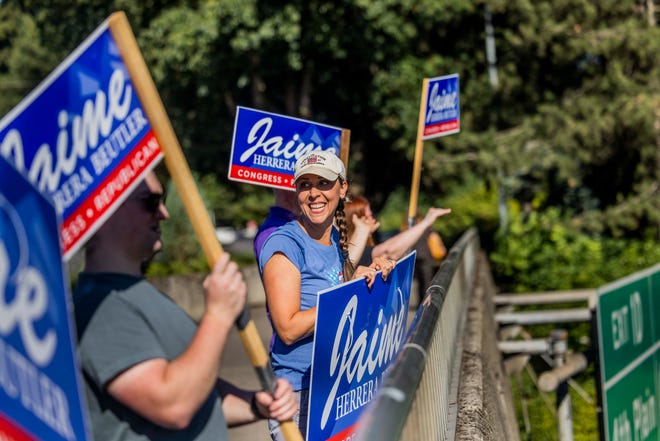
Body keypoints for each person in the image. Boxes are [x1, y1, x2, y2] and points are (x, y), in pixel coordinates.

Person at [73, 171, 298, 441]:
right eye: (150, 201)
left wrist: (255, 404)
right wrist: (218, 316)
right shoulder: (101, 305)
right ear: (105, 210)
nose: (164, 213)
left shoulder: (138, 293)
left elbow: (198, 393)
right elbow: (172, 405)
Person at [258, 150, 395, 439]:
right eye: (305, 184)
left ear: (342, 188)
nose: (313, 193)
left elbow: (345, 293)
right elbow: (288, 328)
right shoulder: (283, 244)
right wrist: (345, 296)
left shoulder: (334, 240)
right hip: (300, 396)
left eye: (323, 183)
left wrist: (375, 275)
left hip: (341, 384)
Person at [345, 195, 451, 267]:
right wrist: (426, 222)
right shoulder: (349, 251)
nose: (372, 218)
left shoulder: (363, 246)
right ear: (354, 219)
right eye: (366, 216)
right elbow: (388, 251)